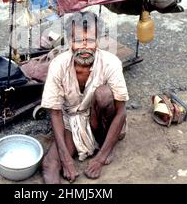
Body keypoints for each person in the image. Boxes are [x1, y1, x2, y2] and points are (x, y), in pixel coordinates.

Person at [41, 11, 129, 183]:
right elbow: (55, 113)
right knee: (49, 165)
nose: (84, 47)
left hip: (99, 120)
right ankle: (76, 151)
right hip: (72, 120)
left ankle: (105, 144)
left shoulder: (111, 63)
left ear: (97, 41)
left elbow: (121, 112)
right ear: (70, 42)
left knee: (104, 94)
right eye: (78, 41)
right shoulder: (58, 65)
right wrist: (66, 159)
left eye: (90, 41)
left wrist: (100, 158)